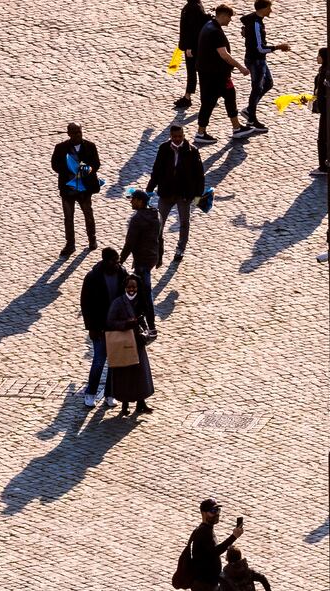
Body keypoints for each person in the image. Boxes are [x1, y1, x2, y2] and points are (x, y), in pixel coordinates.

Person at [77, 248, 128, 408]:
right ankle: (90, 393)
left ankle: (110, 394)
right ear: (105, 261)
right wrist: (91, 327)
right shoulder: (93, 278)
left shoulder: (122, 273)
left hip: (116, 326)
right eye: (114, 260)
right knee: (99, 362)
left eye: (118, 260)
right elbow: (86, 305)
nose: (117, 263)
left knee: (114, 362)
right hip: (99, 327)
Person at [150, 124, 206, 259]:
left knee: (184, 223)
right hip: (166, 193)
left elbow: (199, 175)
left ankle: (180, 249)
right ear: (170, 136)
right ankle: (157, 247)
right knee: (159, 222)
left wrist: (198, 196)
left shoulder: (192, 151)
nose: (177, 139)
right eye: (175, 136)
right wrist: (150, 188)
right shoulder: (164, 149)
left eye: (180, 136)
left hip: (184, 195)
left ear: (184, 135)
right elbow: (157, 169)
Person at [104, 276, 155, 416]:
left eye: (134, 287)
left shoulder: (140, 300)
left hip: (138, 343)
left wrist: (145, 331)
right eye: (129, 287)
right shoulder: (118, 303)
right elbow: (110, 322)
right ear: (125, 288)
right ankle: (125, 405)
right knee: (125, 375)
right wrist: (126, 323)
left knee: (140, 374)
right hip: (124, 343)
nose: (132, 290)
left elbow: (143, 319)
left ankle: (141, 403)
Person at [51, 122, 102, 255]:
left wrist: (86, 170)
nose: (78, 135)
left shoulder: (90, 146)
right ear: (68, 134)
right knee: (68, 218)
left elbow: (96, 164)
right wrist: (69, 169)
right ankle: (70, 244)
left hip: (84, 189)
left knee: (88, 214)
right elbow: (55, 165)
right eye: (74, 132)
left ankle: (92, 239)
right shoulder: (60, 148)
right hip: (68, 189)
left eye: (79, 132)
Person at [240, 0, 290, 130]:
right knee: (256, 89)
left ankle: (250, 110)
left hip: (259, 60)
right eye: (269, 8)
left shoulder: (253, 20)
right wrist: (279, 47)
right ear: (262, 8)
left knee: (268, 83)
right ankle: (251, 119)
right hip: (256, 60)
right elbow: (260, 48)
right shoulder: (256, 24)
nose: (271, 10)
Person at [196, 5, 243, 142]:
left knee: (226, 96)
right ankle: (201, 133)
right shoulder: (215, 31)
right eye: (229, 17)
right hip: (216, 75)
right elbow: (224, 54)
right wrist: (240, 67)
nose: (230, 20)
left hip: (209, 73)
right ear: (223, 16)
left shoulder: (208, 26)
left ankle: (236, 127)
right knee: (210, 102)